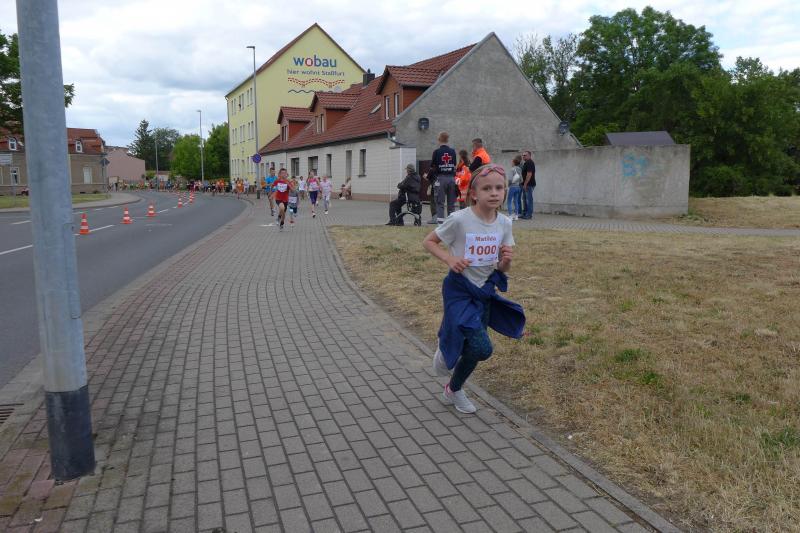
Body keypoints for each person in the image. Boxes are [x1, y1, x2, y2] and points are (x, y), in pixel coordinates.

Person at [422, 164, 525, 413]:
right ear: (474, 194)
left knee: (474, 347)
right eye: (487, 188)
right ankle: (446, 348)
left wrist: (506, 261)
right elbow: (429, 241)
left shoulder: (504, 223)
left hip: (485, 291)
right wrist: (450, 259)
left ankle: (453, 389)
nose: (494, 193)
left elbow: (502, 267)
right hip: (459, 289)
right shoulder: (460, 219)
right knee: (482, 348)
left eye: (499, 188)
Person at [429, 132, 457, 224]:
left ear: (439, 139)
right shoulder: (452, 151)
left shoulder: (436, 152)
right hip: (451, 179)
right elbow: (454, 165)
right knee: (451, 203)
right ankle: (451, 223)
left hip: (441, 179)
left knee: (440, 203)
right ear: (447, 140)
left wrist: (429, 177)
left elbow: (432, 166)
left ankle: (441, 225)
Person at [520, 151, 536, 219]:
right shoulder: (526, 163)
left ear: (529, 155)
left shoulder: (530, 162)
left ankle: (529, 215)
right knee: (524, 199)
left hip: (529, 185)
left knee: (528, 200)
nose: (523, 156)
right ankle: (525, 213)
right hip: (525, 184)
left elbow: (529, 174)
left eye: (525, 155)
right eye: (523, 155)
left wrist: (525, 184)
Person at [507, 155, 523, 220]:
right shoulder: (520, 169)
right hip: (518, 187)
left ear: (514, 162)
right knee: (516, 201)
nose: (511, 163)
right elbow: (521, 180)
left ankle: (510, 215)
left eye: (512, 162)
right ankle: (516, 216)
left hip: (512, 187)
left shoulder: (512, 169)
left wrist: (508, 185)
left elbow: (510, 179)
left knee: (509, 201)